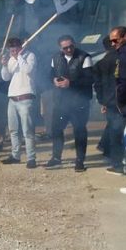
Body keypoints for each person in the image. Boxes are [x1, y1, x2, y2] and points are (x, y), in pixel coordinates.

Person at [46, 35, 93, 172]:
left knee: (79, 131)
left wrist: (70, 83)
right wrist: (54, 80)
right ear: (60, 48)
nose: (68, 49)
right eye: (65, 47)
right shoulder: (56, 57)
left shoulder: (84, 57)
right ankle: (56, 157)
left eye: (71, 46)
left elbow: (90, 79)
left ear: (74, 44)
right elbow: (50, 74)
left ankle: (80, 161)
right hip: (61, 101)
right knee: (56, 129)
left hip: (79, 102)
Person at [0, 38, 38, 168]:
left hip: (26, 98)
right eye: (11, 49)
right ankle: (15, 156)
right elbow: (5, 77)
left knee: (27, 130)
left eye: (15, 48)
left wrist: (20, 56)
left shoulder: (30, 56)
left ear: (21, 47)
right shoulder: (11, 58)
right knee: (13, 130)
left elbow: (28, 70)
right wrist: (4, 65)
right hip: (12, 98)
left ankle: (31, 158)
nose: (13, 51)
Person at [105, 26, 126, 175]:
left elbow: (123, 82)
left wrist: (119, 102)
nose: (112, 43)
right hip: (121, 103)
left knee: (121, 137)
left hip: (124, 104)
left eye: (115, 40)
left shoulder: (124, 54)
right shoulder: (120, 53)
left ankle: (119, 165)